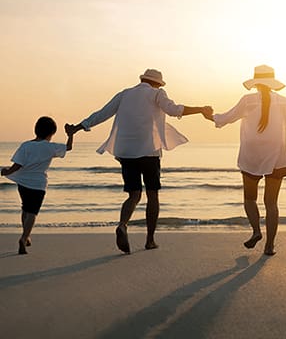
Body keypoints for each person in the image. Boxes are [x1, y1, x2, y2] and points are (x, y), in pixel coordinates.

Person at [66, 69, 212, 254]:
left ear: (142, 79)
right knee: (152, 195)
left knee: (134, 195)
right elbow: (174, 110)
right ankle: (150, 240)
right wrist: (201, 110)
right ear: (158, 83)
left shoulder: (125, 94)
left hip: (126, 152)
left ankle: (122, 224)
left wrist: (78, 127)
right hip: (149, 152)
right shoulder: (157, 94)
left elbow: (101, 114)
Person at [204, 65, 286, 255]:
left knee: (249, 199)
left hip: (251, 156)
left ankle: (256, 231)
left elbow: (226, 118)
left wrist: (210, 116)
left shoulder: (247, 101)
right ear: (272, 83)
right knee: (271, 204)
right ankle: (270, 246)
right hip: (277, 157)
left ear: (255, 83)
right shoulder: (285, 102)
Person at [1, 116, 73, 254]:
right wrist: (70, 134)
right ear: (51, 133)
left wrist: (7, 171)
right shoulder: (51, 147)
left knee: (25, 209)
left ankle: (26, 236)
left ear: (36, 130)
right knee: (33, 212)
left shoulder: (26, 145)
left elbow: (17, 165)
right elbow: (68, 147)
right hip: (38, 184)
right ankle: (24, 237)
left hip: (23, 182)